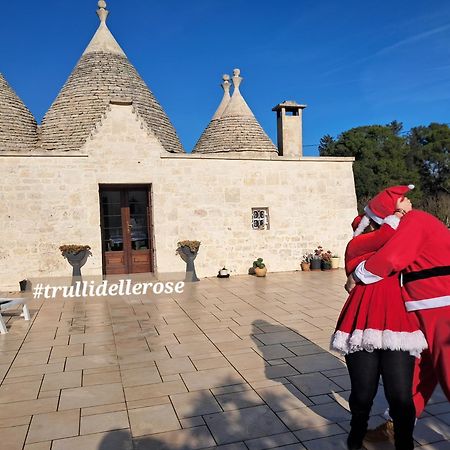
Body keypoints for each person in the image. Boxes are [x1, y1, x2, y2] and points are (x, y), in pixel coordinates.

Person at [347, 185, 450, 441]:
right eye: (402, 199)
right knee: (420, 370)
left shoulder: (415, 220)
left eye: (403, 198)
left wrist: (357, 276)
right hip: (425, 306)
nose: (408, 201)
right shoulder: (406, 223)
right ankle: (397, 424)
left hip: (442, 306)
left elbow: (392, 258)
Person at [331, 185, 428, 450]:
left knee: (400, 397)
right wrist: (398, 214)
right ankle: (355, 439)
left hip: (399, 324)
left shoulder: (400, 242)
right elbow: (385, 238)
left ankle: (404, 444)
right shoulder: (357, 244)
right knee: (363, 395)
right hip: (361, 323)